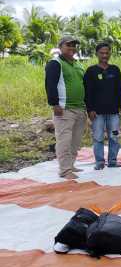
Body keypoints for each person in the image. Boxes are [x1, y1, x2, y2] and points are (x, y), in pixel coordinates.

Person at [45, 35, 87, 179]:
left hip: (80, 108)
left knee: (75, 140)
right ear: (61, 46)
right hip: (64, 109)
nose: (72, 48)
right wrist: (54, 104)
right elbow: (50, 85)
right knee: (64, 140)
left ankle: (71, 164)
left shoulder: (78, 64)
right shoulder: (55, 63)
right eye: (68, 45)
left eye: (74, 45)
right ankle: (64, 170)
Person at [83, 42, 121, 170]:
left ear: (110, 53)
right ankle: (99, 162)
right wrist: (90, 109)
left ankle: (112, 161)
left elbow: (119, 89)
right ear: (97, 54)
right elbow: (87, 92)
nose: (105, 55)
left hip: (113, 112)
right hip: (97, 113)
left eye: (107, 53)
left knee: (114, 137)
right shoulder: (91, 71)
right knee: (98, 137)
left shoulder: (115, 70)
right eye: (102, 53)